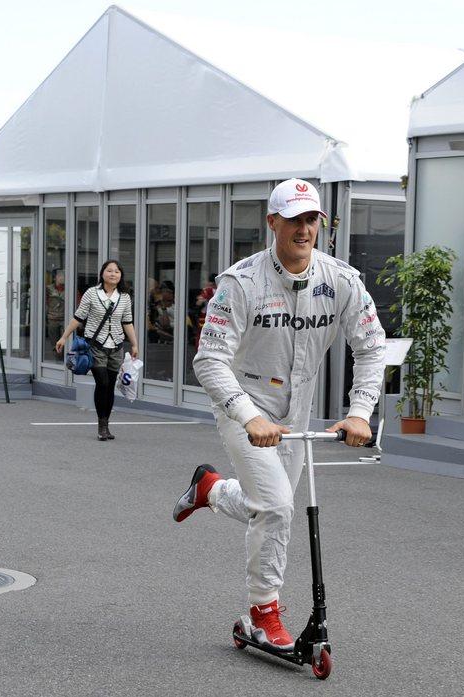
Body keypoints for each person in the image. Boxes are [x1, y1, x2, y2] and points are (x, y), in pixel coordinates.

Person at [172, 178, 385, 650]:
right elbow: (209, 360)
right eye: (294, 219)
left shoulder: (343, 281)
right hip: (243, 404)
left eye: (312, 219)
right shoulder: (241, 282)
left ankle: (210, 490)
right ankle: (263, 612)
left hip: (297, 411)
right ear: (273, 223)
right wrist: (248, 417)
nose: (304, 229)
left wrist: (360, 413)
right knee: (277, 507)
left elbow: (372, 349)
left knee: (269, 508)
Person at [55, 260, 139, 441]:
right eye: (109, 271)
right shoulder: (92, 294)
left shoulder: (124, 297)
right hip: (96, 346)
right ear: (102, 274)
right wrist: (64, 337)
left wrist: (134, 344)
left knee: (109, 387)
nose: (113, 274)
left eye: (117, 271)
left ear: (120, 276)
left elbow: (127, 322)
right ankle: (101, 425)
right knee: (102, 383)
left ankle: (106, 423)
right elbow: (78, 317)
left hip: (116, 346)